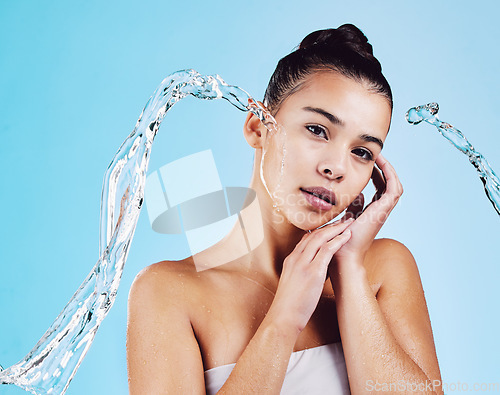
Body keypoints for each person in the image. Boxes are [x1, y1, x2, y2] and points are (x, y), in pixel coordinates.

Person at [126, 24, 443, 394]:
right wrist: (283, 319)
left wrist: (350, 272)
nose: (336, 167)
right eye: (317, 130)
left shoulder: (384, 269)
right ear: (258, 127)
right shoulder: (168, 293)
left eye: (361, 152)